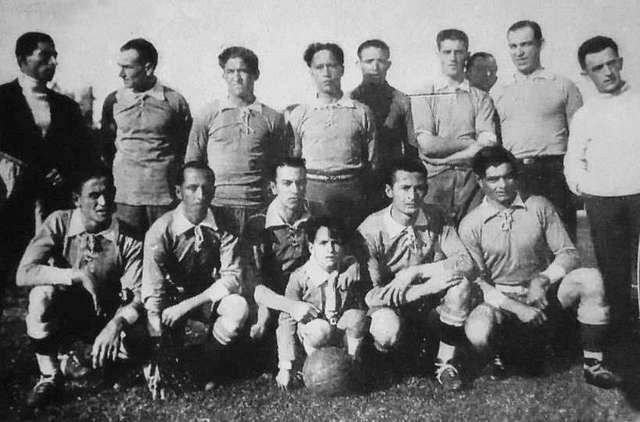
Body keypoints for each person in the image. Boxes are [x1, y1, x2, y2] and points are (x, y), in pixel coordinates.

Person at [460, 146, 620, 389]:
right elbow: (478, 283)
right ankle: (501, 354)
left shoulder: (539, 206)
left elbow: (568, 253)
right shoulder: (471, 224)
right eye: (493, 179)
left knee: (591, 278)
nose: (502, 185)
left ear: (517, 176)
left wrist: (543, 279)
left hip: (542, 295)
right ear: (480, 182)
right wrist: (515, 307)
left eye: (508, 176)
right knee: (478, 332)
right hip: (501, 302)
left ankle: (593, 362)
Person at [16, 166, 144, 408]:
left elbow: (138, 295)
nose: (103, 202)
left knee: (137, 342)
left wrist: (115, 325)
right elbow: (23, 273)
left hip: (104, 317)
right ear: (76, 199)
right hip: (64, 314)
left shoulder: (129, 238)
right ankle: (50, 375)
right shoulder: (59, 223)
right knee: (41, 295)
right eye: (94, 195)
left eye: (108, 193)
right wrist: (76, 275)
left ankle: (83, 360)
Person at [356, 158, 475, 391]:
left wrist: (415, 272)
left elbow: (466, 263)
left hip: (430, 307)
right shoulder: (371, 229)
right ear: (389, 190)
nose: (413, 196)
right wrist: (422, 288)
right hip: (395, 306)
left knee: (461, 285)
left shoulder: (436, 217)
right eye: (405, 188)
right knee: (385, 328)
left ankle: (445, 363)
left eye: (419, 188)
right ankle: (386, 363)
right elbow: (371, 295)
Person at [0, 32, 93, 312]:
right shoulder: (2, 99)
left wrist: (64, 171)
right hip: (12, 195)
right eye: (44, 55)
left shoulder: (66, 106)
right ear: (22, 59)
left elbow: (82, 150)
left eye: (55, 56)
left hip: (54, 196)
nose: (52, 62)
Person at [243, 158, 361, 373]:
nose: (295, 190)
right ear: (273, 187)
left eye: (301, 183)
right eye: (287, 183)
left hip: (314, 291)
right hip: (277, 298)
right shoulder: (259, 223)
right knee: (260, 335)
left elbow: (340, 245)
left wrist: (352, 264)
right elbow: (256, 287)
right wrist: (291, 306)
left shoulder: (318, 212)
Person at [141, 162, 248, 399]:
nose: (200, 196)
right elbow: (153, 290)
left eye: (206, 188)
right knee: (157, 345)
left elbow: (232, 277)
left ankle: (207, 364)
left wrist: (187, 306)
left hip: (203, 297)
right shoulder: (161, 230)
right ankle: (162, 366)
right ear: (178, 192)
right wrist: (158, 351)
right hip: (170, 300)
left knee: (239, 307)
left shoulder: (226, 222)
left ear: (214, 191)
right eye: (192, 188)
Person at [564, 36, 640, 334]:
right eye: (598, 68)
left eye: (611, 64)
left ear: (620, 63)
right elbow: (573, 162)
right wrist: (590, 189)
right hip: (604, 205)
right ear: (586, 73)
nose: (607, 72)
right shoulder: (585, 115)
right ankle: (624, 347)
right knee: (614, 275)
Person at [492, 20, 583, 241]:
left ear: (540, 44)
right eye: (513, 46)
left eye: (526, 44)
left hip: (555, 172)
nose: (519, 52)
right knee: (523, 240)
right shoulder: (499, 91)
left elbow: (580, 137)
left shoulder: (563, 85)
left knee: (562, 238)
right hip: (516, 173)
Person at [186, 47, 286, 236]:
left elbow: (279, 166)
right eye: (230, 71)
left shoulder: (273, 118)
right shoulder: (208, 114)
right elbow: (193, 163)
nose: (237, 77)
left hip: (258, 206)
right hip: (217, 206)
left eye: (243, 71)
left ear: (256, 75)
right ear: (223, 75)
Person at [101, 38, 192, 235]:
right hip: (125, 199)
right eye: (120, 66)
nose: (121, 73)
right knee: (127, 257)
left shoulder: (175, 102)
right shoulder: (113, 101)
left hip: (164, 199)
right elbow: (106, 149)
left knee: (163, 256)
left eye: (127, 67)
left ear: (148, 68)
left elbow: (186, 148)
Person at [411, 29, 497, 225]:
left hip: (471, 181)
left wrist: (446, 158)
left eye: (458, 52)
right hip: (434, 181)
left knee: (473, 237)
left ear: (466, 54)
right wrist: (469, 143)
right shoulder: (425, 94)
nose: (453, 58)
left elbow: (487, 144)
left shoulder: (480, 97)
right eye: (447, 52)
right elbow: (427, 145)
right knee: (435, 240)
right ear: (438, 54)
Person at [288, 42, 377, 229]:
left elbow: (372, 159)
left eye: (332, 66)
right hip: (313, 194)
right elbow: (293, 159)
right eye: (319, 67)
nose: (326, 72)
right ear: (311, 72)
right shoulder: (300, 113)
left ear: (342, 70)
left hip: (351, 192)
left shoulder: (361, 111)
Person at [275, 217, 368, 389]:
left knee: (357, 317)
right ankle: (312, 370)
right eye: (323, 243)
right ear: (311, 247)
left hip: (337, 330)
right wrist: (285, 366)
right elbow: (286, 319)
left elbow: (352, 259)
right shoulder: (300, 277)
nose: (330, 249)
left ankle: (351, 365)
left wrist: (353, 265)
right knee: (320, 329)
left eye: (335, 243)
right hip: (314, 334)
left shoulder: (346, 270)